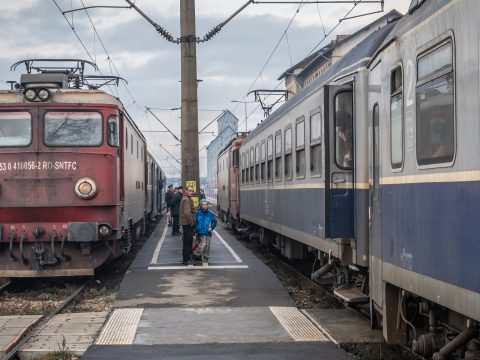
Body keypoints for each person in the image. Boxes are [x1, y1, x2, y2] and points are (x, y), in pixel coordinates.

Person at [193, 199, 217, 265]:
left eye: (206, 204)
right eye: (203, 204)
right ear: (201, 205)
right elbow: (195, 222)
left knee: (207, 245)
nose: (205, 206)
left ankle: (205, 258)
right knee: (203, 244)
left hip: (208, 232)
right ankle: (195, 254)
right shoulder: (197, 213)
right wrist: (195, 230)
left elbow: (214, 222)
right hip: (200, 231)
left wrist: (211, 227)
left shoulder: (210, 213)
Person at [179, 186, 196, 265]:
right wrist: (192, 222)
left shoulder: (187, 199)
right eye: (190, 191)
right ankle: (186, 259)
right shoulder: (186, 200)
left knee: (187, 241)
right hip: (187, 224)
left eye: (192, 191)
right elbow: (187, 213)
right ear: (186, 191)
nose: (191, 192)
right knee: (188, 242)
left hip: (186, 223)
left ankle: (186, 258)